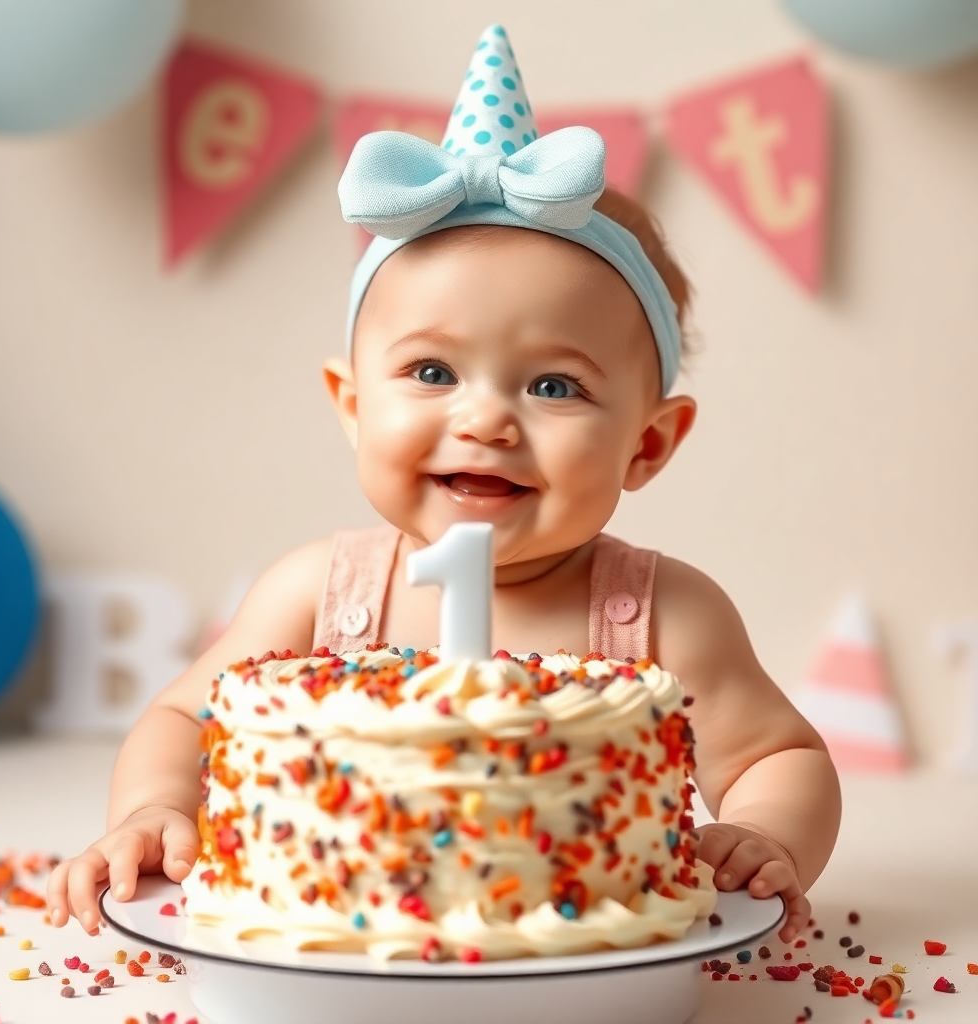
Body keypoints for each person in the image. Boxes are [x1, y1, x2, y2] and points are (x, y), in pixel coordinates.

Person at [48, 24, 839, 946]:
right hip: (327, 951)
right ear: (350, 405)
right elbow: (185, 716)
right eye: (432, 373)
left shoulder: (665, 616)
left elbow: (780, 755)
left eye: (554, 386)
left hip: (589, 957)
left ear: (648, 444)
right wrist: (153, 807)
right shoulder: (319, 593)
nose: (485, 421)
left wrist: (763, 831)